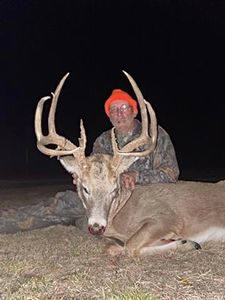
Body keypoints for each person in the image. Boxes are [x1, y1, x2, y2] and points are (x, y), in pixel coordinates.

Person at [73, 89, 179, 190]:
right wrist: (83, 174)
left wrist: (137, 176)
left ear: (134, 112)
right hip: (116, 198)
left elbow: (171, 174)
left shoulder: (154, 134)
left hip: (151, 195)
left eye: (124, 107)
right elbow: (97, 171)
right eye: (114, 109)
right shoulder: (103, 141)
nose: (119, 113)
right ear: (110, 116)